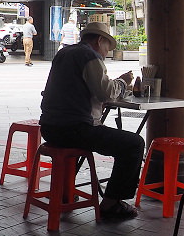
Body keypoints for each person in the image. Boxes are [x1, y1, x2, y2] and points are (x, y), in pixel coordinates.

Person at [39, 21, 143, 220]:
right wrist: (123, 81)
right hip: (74, 129)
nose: (107, 52)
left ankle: (65, 191)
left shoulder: (64, 53)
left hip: (50, 127)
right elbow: (105, 92)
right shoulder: (89, 55)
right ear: (99, 40)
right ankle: (112, 203)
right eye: (107, 47)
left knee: (113, 138)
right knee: (133, 144)